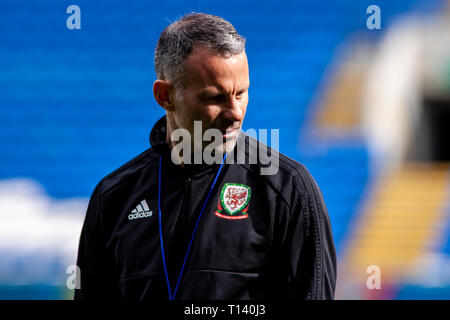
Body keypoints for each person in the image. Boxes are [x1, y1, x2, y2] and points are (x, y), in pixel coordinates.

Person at [74, 12, 336, 300]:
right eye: (215, 97)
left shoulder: (287, 187)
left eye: (241, 93)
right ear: (165, 96)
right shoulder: (113, 197)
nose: (235, 113)